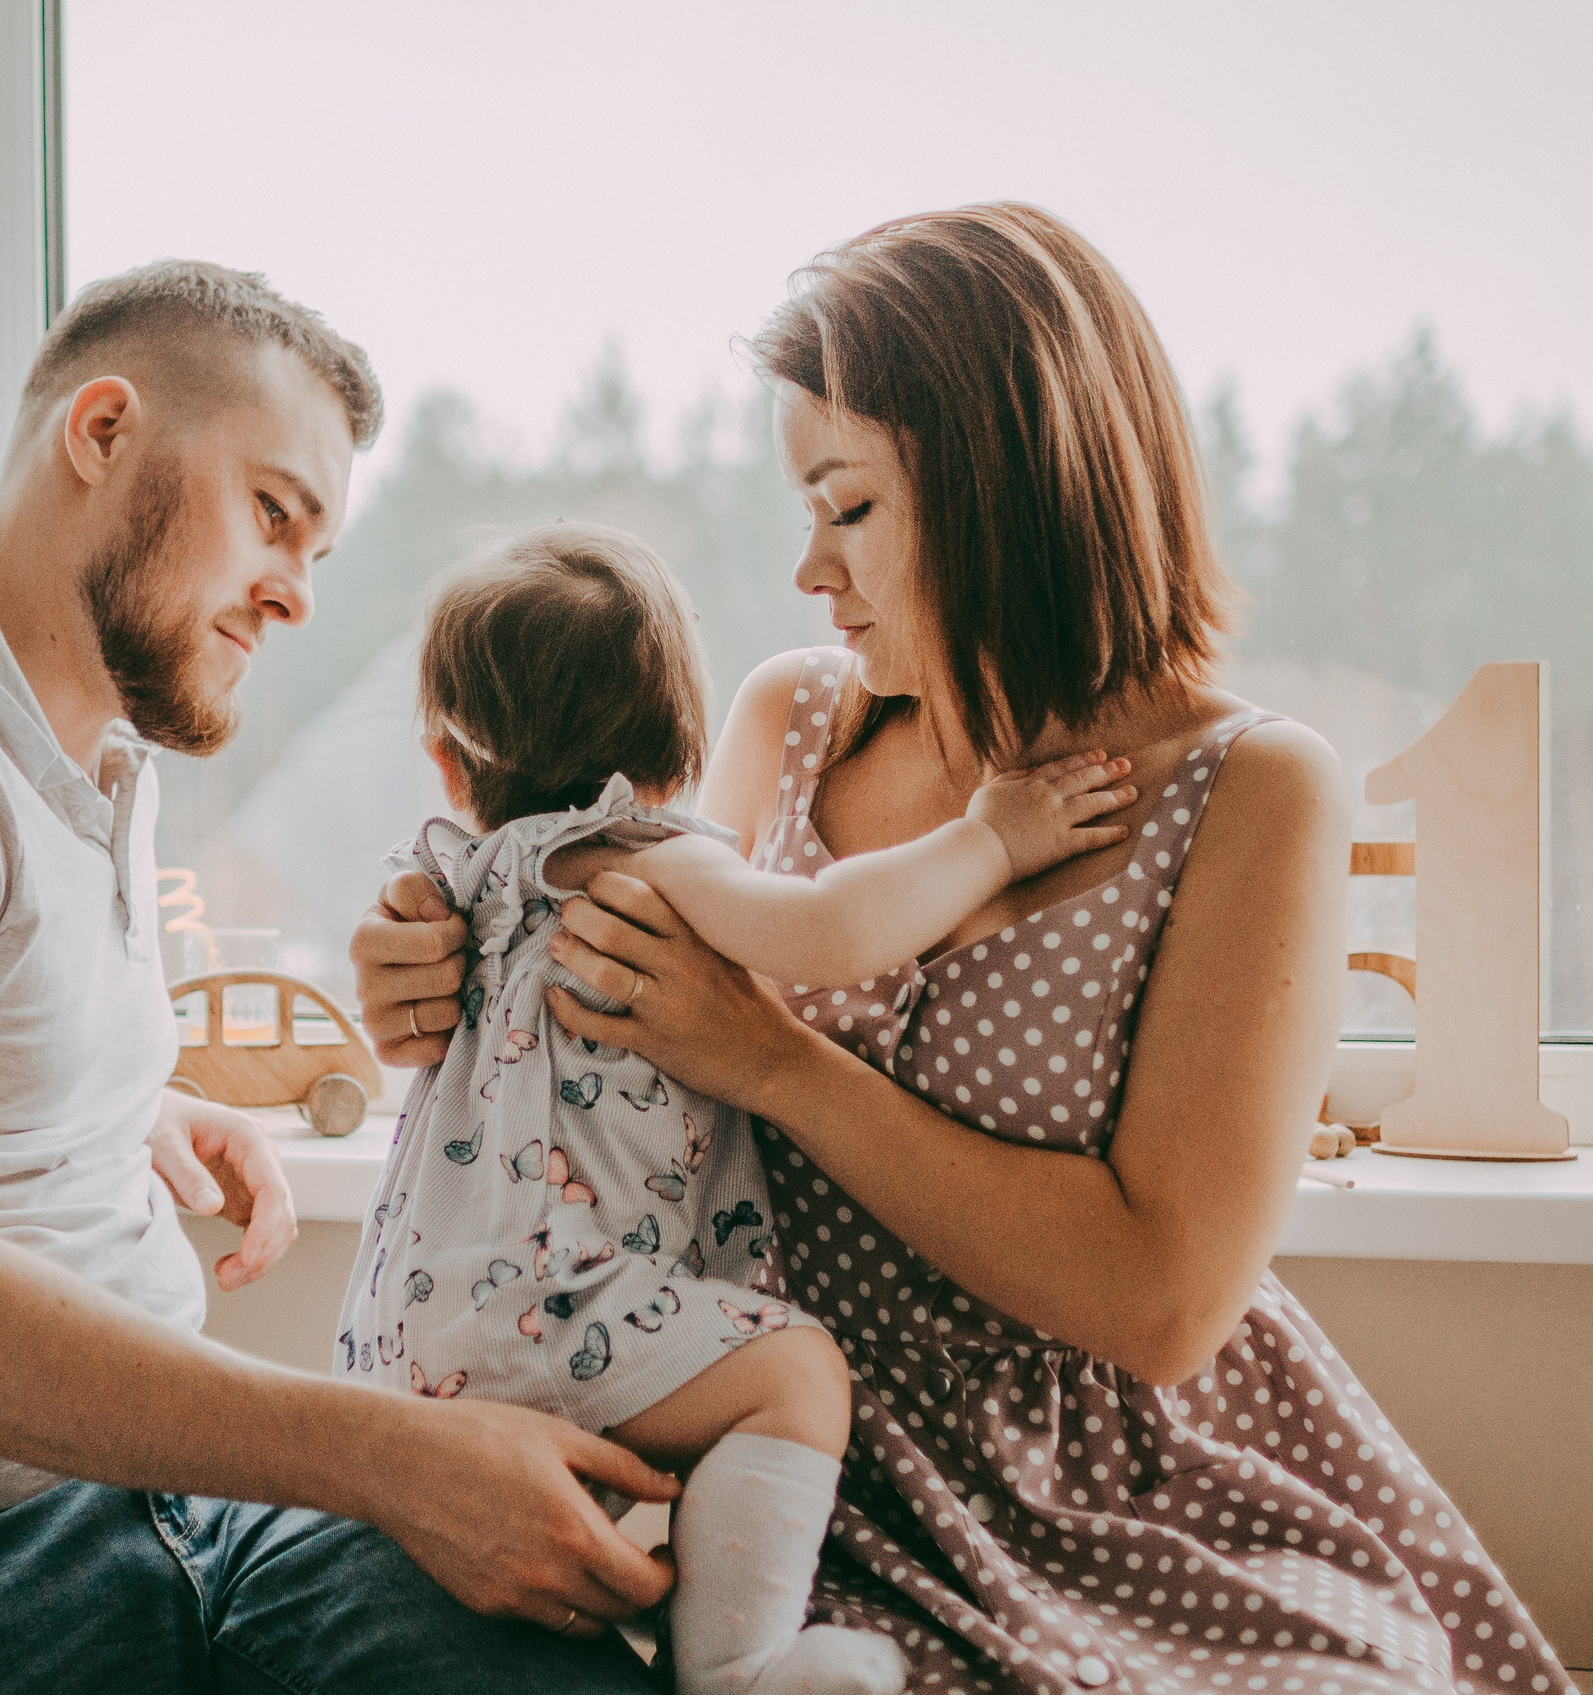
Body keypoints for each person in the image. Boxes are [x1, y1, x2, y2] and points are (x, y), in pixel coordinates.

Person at [352, 206, 1579, 1695]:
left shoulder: (1250, 790)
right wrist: (428, 974)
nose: (810, 568)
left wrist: (778, 1065)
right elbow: (606, 1021)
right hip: (780, 1453)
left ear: (1010, 495)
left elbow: (1164, 1300)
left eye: (850, 506)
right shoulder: (791, 720)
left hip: (1110, 1489)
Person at [0, 261, 685, 1694]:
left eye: (317, 550)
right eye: (276, 514)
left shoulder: (99, 764)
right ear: (103, 432)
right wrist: (392, 1451)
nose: (298, 594)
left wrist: (135, 1108)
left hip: (174, 1511)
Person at [338, 522, 1142, 1695]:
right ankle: (740, 1669)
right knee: (797, 1374)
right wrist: (989, 840)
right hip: (557, 1308)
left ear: (449, 765)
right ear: (682, 737)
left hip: (409, 1333)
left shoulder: (464, 880)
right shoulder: (652, 860)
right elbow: (834, 927)